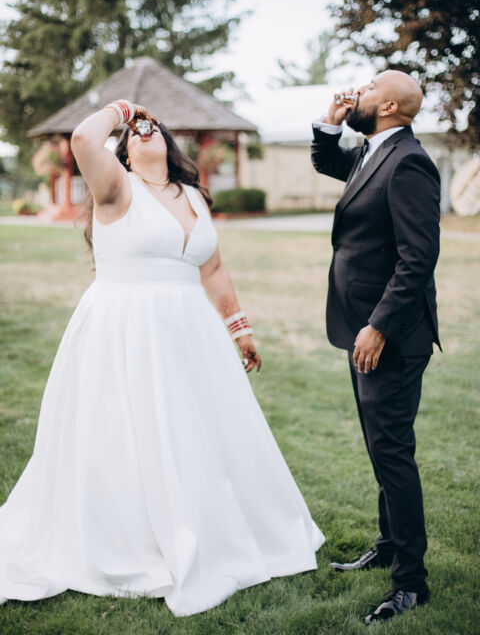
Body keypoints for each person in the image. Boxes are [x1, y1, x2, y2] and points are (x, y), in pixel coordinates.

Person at [0, 100, 324, 616]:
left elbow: (212, 267)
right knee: (126, 432)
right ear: (125, 152)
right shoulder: (116, 186)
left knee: (200, 431)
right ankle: (135, 539)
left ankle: (215, 525)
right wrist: (125, 109)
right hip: (124, 328)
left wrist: (239, 328)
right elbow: (83, 139)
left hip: (191, 332)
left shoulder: (193, 195)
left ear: (170, 145)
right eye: (136, 130)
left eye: (153, 126)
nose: (144, 130)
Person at [311, 71, 441, 625]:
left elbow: (419, 257)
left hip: (389, 336)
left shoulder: (409, 163)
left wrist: (380, 326)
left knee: (392, 451)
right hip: (359, 327)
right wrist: (330, 122)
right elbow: (328, 161)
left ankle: (411, 582)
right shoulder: (373, 153)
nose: (357, 93)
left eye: (367, 89)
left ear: (388, 106)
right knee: (379, 446)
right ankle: (389, 545)